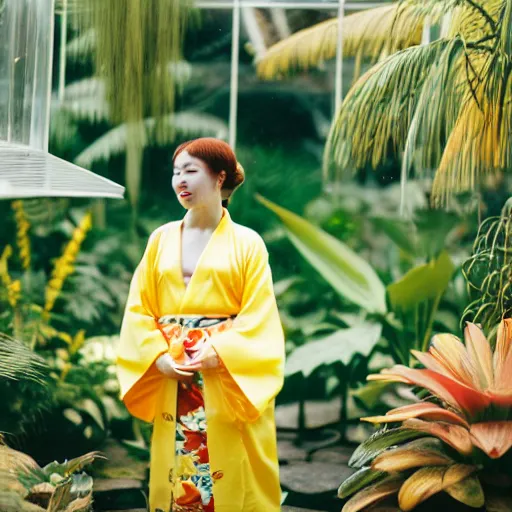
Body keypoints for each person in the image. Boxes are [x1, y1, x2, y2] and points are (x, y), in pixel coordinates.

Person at [116, 137, 285, 512]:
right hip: (175, 371)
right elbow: (138, 308)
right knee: (180, 466)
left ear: (219, 177)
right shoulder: (160, 238)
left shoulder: (248, 243)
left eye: (191, 171)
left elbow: (260, 315)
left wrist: (221, 351)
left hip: (225, 372)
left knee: (235, 462)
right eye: (176, 172)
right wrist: (156, 355)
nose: (181, 180)